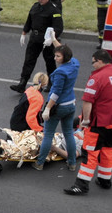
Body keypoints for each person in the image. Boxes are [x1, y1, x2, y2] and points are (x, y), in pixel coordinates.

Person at [65, 49, 112, 196]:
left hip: (100, 122)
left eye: (93, 62)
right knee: (108, 150)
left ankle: (81, 185)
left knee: (90, 153)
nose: (92, 65)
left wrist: (86, 120)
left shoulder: (97, 78)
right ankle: (104, 180)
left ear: (100, 61)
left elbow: (88, 101)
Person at [34, 44, 79, 172]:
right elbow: (65, 50)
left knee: (48, 134)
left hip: (58, 106)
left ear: (65, 57)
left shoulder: (60, 72)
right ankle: (72, 163)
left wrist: (47, 108)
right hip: (71, 104)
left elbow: (56, 93)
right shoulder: (75, 64)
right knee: (69, 133)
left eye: (58, 56)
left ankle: (40, 163)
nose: (55, 58)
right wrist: (54, 39)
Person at [10, 0, 63, 92]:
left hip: (46, 40)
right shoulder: (35, 7)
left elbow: (58, 27)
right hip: (34, 38)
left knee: (50, 62)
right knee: (29, 60)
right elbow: (29, 20)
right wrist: (24, 32)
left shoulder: (54, 10)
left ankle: (51, 84)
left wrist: (52, 39)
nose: (40, 0)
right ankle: (22, 83)